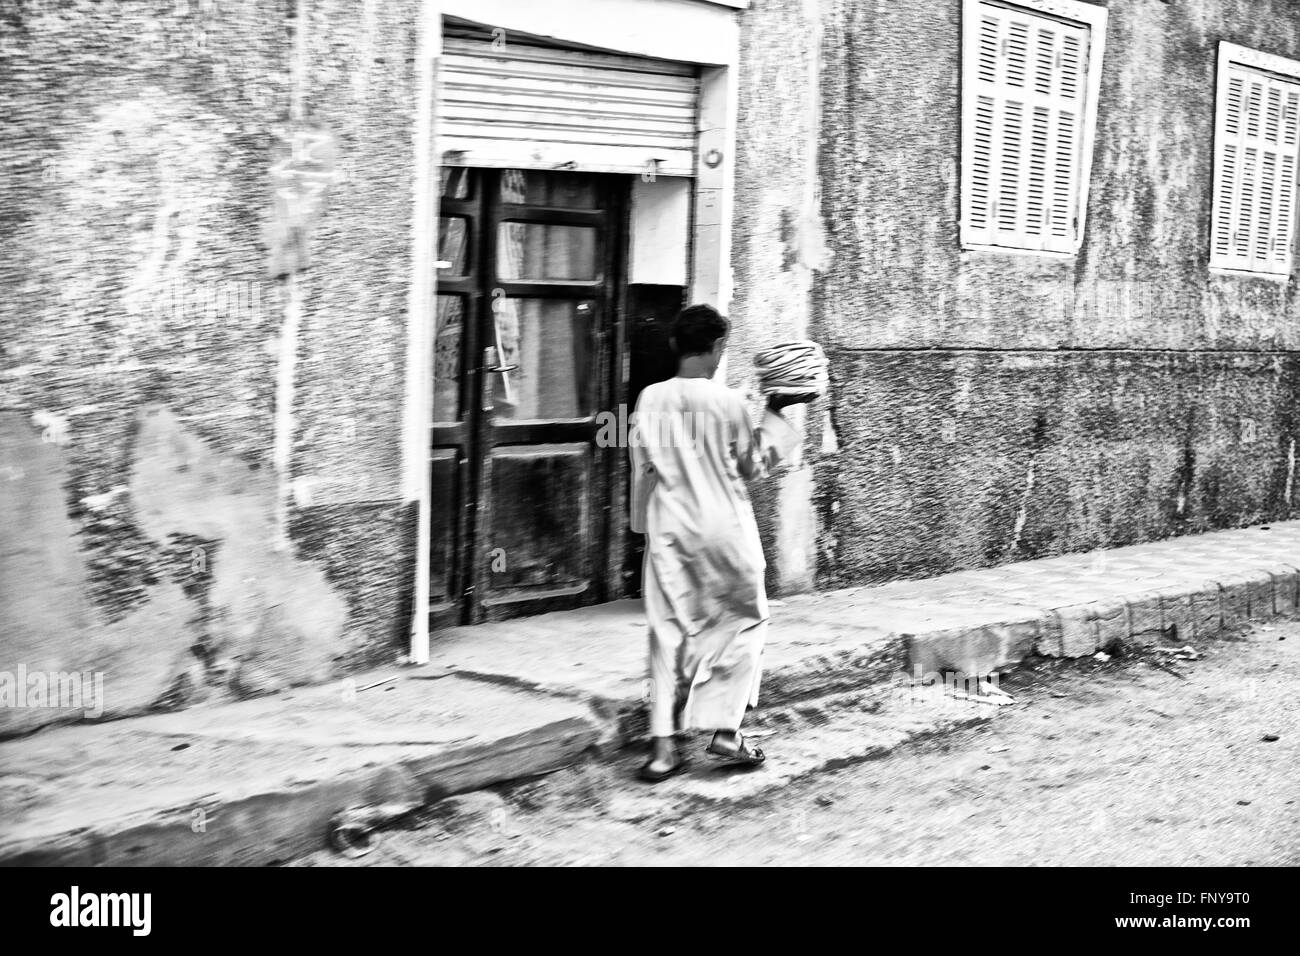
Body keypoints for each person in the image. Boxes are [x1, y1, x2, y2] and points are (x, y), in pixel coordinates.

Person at [629, 304, 815, 782]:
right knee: (742, 625)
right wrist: (775, 410)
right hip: (725, 531)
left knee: (667, 633)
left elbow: (644, 469)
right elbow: (753, 466)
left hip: (670, 530)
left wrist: (640, 525)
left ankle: (662, 751)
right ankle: (725, 732)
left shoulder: (650, 399)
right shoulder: (729, 402)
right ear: (716, 349)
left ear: (675, 345)